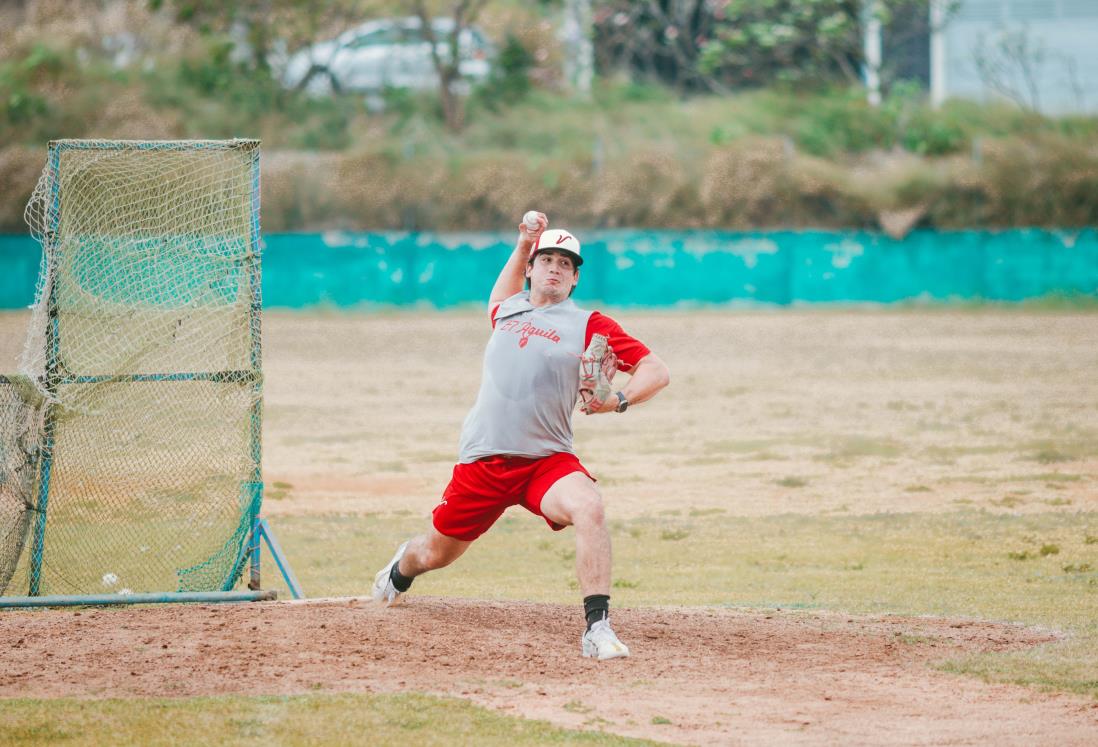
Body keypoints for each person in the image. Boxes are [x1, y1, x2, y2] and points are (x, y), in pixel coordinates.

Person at [371, 212, 670, 660]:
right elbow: (507, 280)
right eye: (546, 259)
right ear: (530, 268)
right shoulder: (506, 309)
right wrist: (523, 242)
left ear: (574, 279)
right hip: (484, 461)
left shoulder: (591, 324)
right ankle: (400, 570)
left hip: (545, 461)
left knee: (589, 506)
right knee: (434, 554)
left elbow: (656, 370)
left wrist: (620, 399)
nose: (555, 267)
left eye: (566, 264)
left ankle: (597, 629)